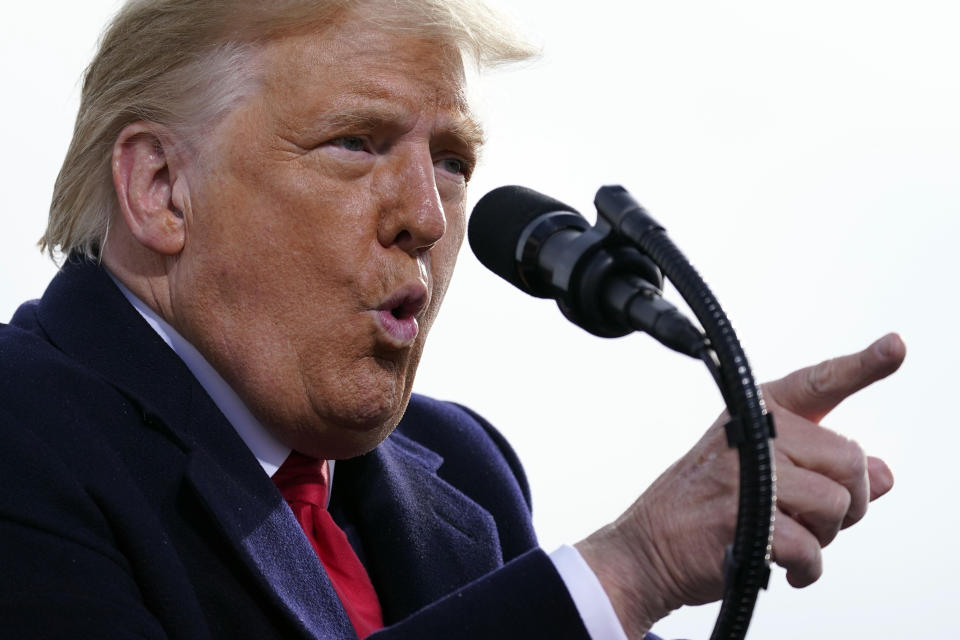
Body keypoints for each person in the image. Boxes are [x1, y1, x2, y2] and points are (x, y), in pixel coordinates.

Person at [0, 0, 905, 638]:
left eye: (452, 160)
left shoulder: (464, 467)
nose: (427, 218)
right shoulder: (23, 432)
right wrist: (629, 572)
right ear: (162, 190)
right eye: (355, 143)